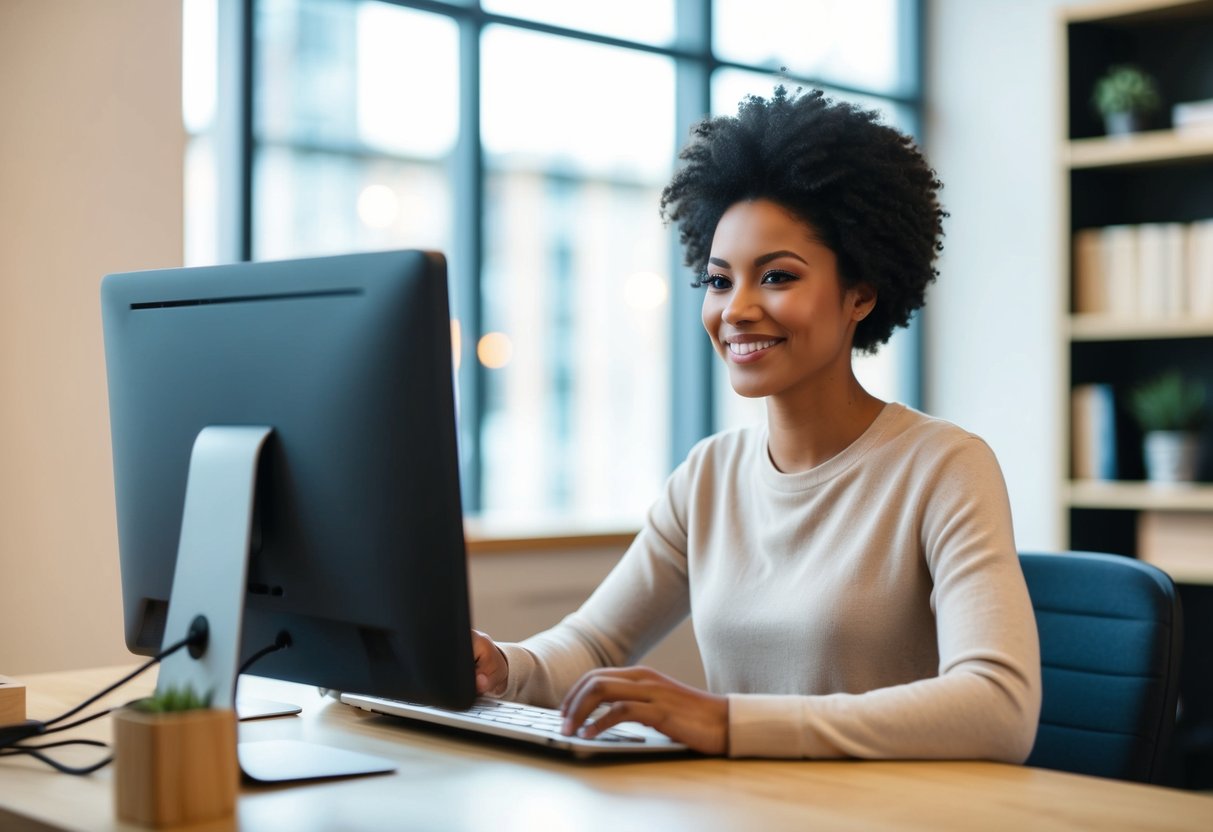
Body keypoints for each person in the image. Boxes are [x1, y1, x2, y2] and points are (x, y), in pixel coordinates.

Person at [470, 86, 1042, 761]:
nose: (735, 309)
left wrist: (728, 723)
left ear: (859, 292)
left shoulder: (943, 466)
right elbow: (592, 644)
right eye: (718, 281)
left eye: (775, 276)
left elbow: (998, 708)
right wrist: (499, 666)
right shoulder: (708, 476)